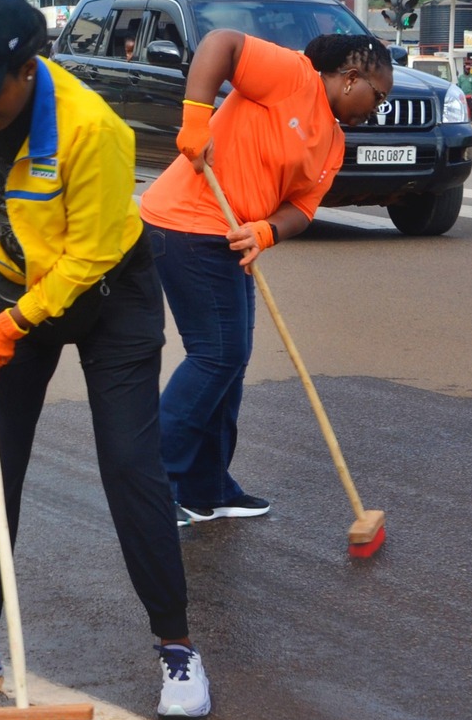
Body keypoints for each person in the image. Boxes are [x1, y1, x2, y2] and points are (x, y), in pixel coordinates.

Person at [0, 0, 207, 720]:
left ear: (27, 69)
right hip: (11, 277)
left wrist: (11, 328)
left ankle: (177, 647)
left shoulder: (92, 130)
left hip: (110, 295)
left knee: (130, 466)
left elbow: (88, 261)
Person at [140, 29, 390, 524]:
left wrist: (266, 232)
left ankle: (205, 485)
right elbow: (221, 45)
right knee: (218, 355)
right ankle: (151, 489)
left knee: (230, 360)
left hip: (233, 236)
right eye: (377, 96)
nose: (377, 108)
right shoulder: (293, 75)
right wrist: (196, 119)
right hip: (187, 222)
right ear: (350, 77)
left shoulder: (334, 141)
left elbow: (301, 206)